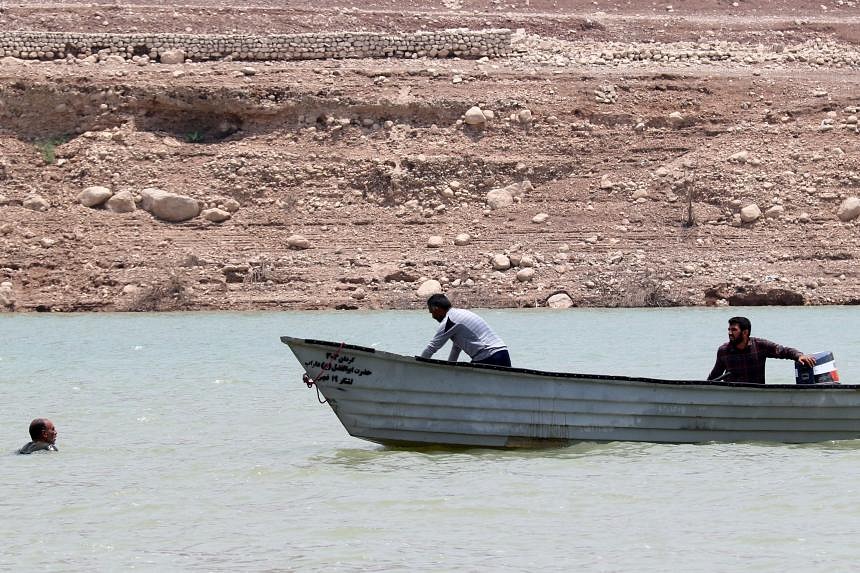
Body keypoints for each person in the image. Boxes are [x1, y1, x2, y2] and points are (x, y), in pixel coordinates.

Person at [707, 316, 815, 384]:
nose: (730, 333)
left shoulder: (759, 345)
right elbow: (715, 375)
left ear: (745, 332)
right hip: (732, 397)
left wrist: (799, 356)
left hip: (756, 395)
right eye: (729, 329)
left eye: (734, 330)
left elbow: (783, 351)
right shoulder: (723, 350)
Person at [420, 294, 511, 367]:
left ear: (437, 309)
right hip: (501, 353)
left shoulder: (450, 321)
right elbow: (456, 348)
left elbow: (432, 347)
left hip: (489, 356)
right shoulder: (459, 313)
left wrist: (419, 367)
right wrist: (450, 368)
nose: (433, 317)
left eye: (432, 312)